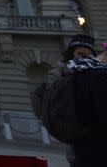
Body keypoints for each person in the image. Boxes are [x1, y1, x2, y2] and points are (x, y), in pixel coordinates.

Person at [42, 34, 99, 166]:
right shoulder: (59, 74)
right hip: (76, 131)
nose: (84, 57)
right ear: (71, 54)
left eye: (89, 55)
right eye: (80, 53)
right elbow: (53, 101)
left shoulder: (98, 73)